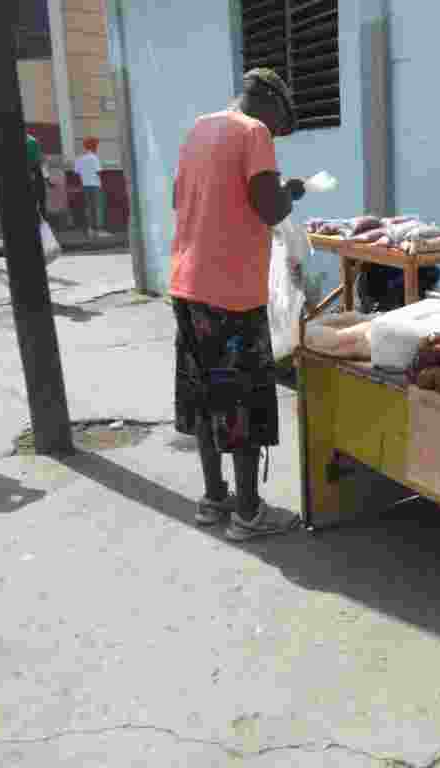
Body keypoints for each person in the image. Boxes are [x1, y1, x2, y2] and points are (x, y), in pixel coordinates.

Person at [169, 67, 306, 541]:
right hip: (232, 294)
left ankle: (214, 499)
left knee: (206, 399)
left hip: (187, 287)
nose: (278, 131)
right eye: (281, 120)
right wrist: (289, 193)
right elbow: (269, 208)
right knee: (242, 401)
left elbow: (179, 199)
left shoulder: (198, 130)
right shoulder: (254, 131)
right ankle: (248, 513)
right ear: (269, 100)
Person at [74, 137, 108, 239]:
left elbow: (77, 172)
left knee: (88, 208)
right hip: (95, 185)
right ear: (93, 146)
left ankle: (90, 230)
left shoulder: (79, 158)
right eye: (96, 145)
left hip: (85, 185)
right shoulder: (94, 158)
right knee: (97, 207)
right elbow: (98, 172)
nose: (97, 147)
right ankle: (99, 230)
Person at [25, 132, 49, 220]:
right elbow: (43, 166)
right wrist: (47, 179)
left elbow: (42, 165)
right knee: (41, 200)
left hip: (34, 177)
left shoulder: (31, 142)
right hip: (37, 178)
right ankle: (42, 219)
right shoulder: (33, 143)